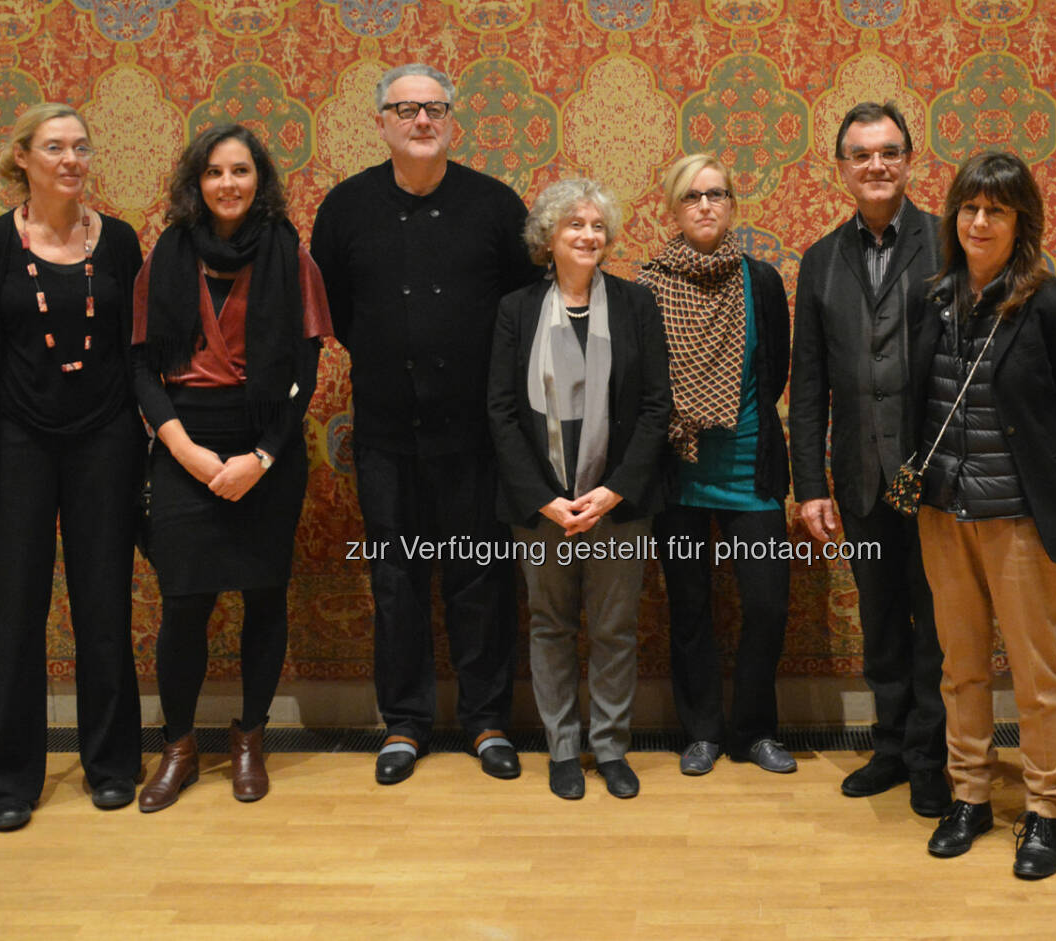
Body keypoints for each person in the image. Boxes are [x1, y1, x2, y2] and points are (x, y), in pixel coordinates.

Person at [311, 63, 540, 785]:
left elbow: (523, 310)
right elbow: (338, 313)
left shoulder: (497, 205)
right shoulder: (344, 208)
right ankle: (405, 724)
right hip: (384, 434)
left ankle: (487, 721)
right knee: (397, 578)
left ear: (452, 121)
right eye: (404, 109)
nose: (420, 120)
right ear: (380, 122)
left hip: (477, 436)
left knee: (481, 578)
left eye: (433, 108)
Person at [0, 103, 145, 832]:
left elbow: (137, 341)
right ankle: (8, 780)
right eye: (54, 147)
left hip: (106, 444)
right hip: (17, 446)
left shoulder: (119, 241)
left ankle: (112, 765)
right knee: (12, 614)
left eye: (81, 147)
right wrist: (23, 408)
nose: (71, 158)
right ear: (23, 159)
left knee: (104, 607)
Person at [131, 124, 331, 812]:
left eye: (241, 170)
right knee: (185, 603)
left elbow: (305, 368)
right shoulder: (166, 254)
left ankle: (249, 737)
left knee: (263, 596)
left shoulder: (291, 255)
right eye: (214, 171)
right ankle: (180, 746)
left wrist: (264, 456)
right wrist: (182, 448)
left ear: (260, 178)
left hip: (267, 445)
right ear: (197, 181)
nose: (227, 184)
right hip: (185, 441)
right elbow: (139, 365)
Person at [911, 151, 1056, 879]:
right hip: (943, 509)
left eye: (997, 210)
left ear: (1022, 222)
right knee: (959, 667)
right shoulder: (936, 297)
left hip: (1017, 514)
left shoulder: (1053, 302)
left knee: (1035, 671)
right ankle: (971, 795)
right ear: (955, 216)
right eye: (970, 208)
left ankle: (1046, 809)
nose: (980, 221)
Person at [788, 102, 949, 814]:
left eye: (889, 151)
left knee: (938, 626)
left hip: (938, 480)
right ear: (842, 170)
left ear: (910, 160)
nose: (876, 165)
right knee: (882, 622)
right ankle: (889, 747)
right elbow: (810, 380)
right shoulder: (821, 260)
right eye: (861, 155)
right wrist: (810, 485)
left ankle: (933, 757)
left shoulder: (949, 244)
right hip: (859, 477)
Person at [487, 178, 670, 800]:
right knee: (551, 625)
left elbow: (654, 408)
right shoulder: (515, 310)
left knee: (616, 629)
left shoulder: (636, 305)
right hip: (541, 504)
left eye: (597, 225)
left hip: (617, 502)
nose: (588, 235)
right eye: (575, 225)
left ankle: (612, 747)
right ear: (549, 238)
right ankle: (563, 748)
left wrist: (613, 491)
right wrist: (543, 496)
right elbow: (502, 412)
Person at [637, 154, 795, 776]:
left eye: (717, 194)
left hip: (748, 473)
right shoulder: (646, 287)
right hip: (677, 474)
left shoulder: (761, 281)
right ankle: (701, 730)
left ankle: (754, 731)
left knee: (766, 606)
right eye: (692, 197)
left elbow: (775, 368)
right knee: (690, 608)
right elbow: (644, 386)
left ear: (733, 205)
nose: (706, 206)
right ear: (673, 210)